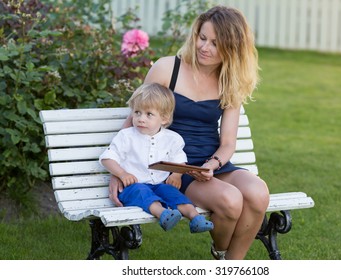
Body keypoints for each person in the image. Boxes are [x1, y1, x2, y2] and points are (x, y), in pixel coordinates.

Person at [109, 5, 270, 260]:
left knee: (259, 193)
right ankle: (221, 252)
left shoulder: (230, 81)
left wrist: (212, 165)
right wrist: (119, 171)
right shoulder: (167, 69)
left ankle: (232, 266)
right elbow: (135, 119)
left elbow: (227, 142)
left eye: (216, 43)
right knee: (230, 201)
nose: (205, 47)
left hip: (211, 165)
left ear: (232, 48)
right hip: (175, 168)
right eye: (202, 38)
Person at [100, 83, 214, 233]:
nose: (141, 119)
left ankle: (196, 218)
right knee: (142, 192)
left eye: (149, 114)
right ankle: (163, 215)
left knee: (172, 193)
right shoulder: (126, 136)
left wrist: (177, 174)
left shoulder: (172, 138)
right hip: (132, 186)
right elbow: (107, 158)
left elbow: (180, 159)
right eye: (137, 112)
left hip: (160, 184)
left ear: (164, 118)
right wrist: (122, 174)